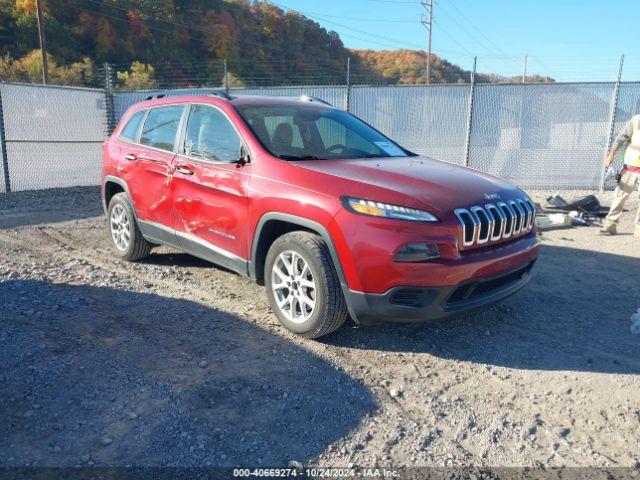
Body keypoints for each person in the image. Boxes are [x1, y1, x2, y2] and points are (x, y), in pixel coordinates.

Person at [600, 114, 640, 236]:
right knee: (619, 197)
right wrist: (611, 155)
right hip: (630, 168)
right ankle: (610, 226)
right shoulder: (635, 120)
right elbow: (620, 138)